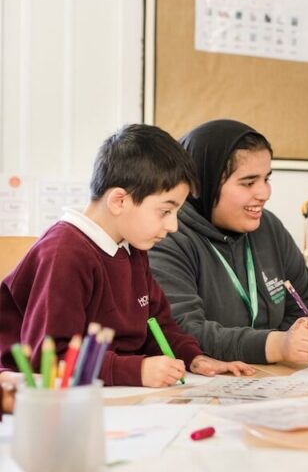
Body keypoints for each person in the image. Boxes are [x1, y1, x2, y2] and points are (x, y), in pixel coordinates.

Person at [0, 125, 253, 387]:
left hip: (111, 391)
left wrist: (193, 358)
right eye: (165, 211)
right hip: (37, 396)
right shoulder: (63, 254)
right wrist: (136, 370)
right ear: (119, 201)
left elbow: (158, 325)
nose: (173, 226)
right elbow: (49, 359)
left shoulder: (131, 246)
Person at [149, 120, 308, 365]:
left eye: (266, 178)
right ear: (201, 184)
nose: (264, 193)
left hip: (273, 381)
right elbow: (182, 332)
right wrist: (276, 345)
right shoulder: (167, 236)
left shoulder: (269, 227)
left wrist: (305, 339)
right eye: (248, 182)